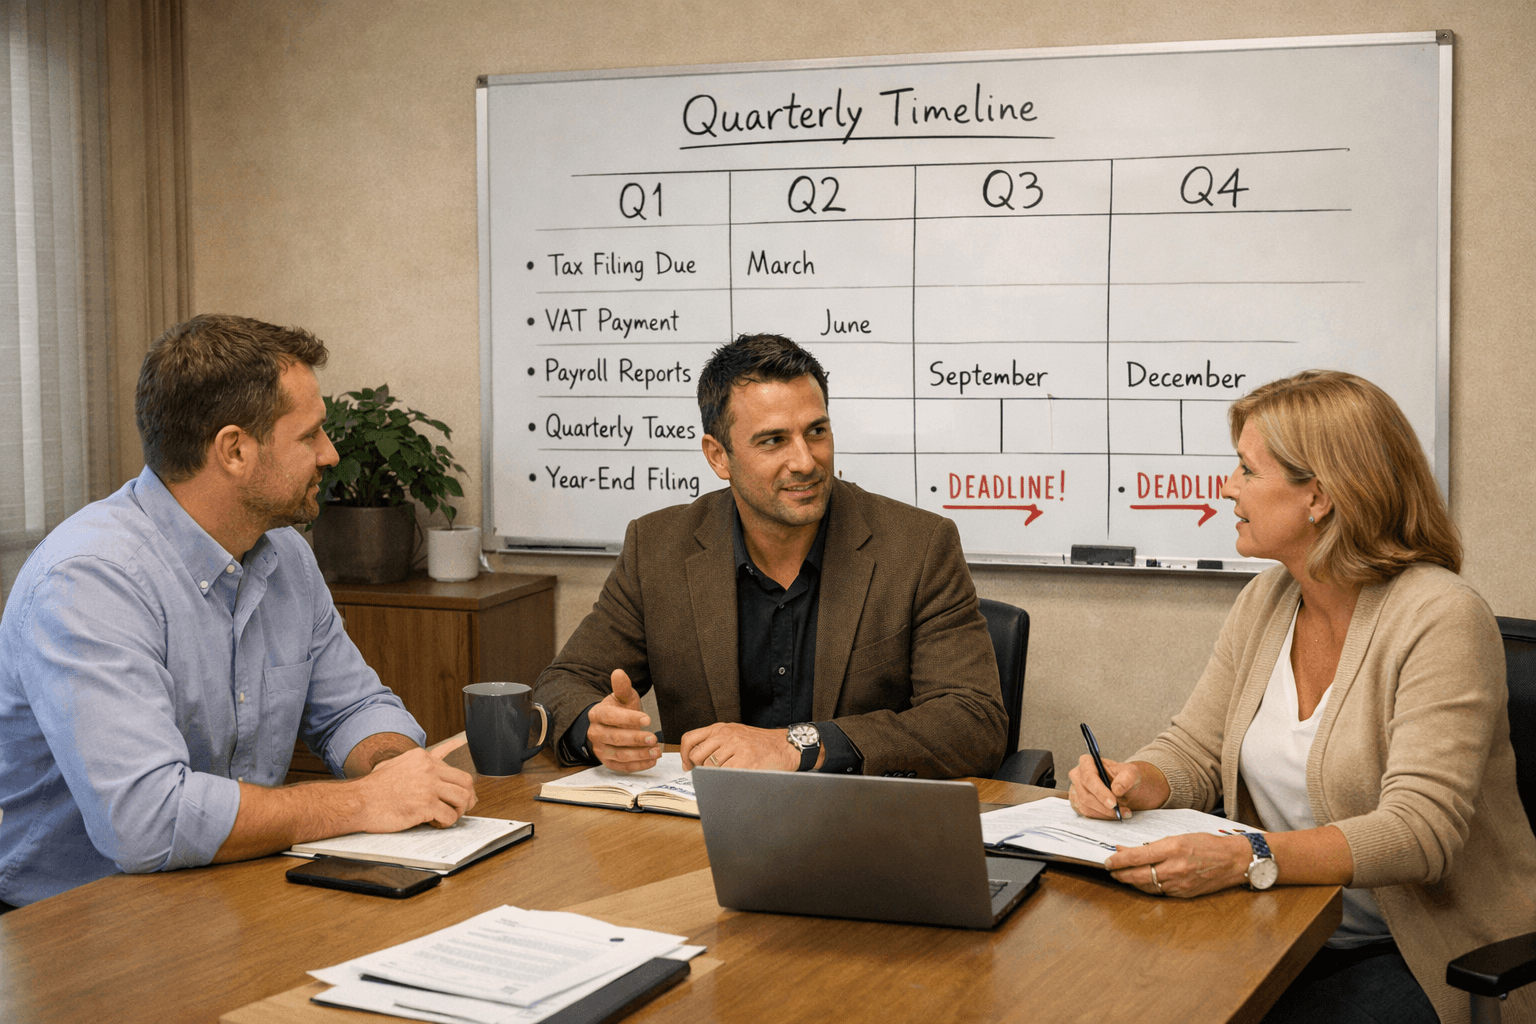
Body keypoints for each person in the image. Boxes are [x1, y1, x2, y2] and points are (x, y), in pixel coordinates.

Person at [1067, 370, 1536, 1023]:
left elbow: (1421, 833)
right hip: (1287, 925)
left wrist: (1247, 856)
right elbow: (1197, 750)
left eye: (1246, 469)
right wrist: (1136, 777)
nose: (1227, 487)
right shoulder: (1268, 599)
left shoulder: (1441, 616)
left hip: (1421, 952)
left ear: (1317, 496)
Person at [0, 314, 477, 908]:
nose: (330, 455)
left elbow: (352, 708)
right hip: (77, 923)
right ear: (235, 451)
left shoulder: (287, 558)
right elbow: (148, 821)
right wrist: (363, 802)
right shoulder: (89, 581)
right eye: (309, 436)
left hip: (231, 892)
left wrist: (398, 769)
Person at [533, 333, 1007, 779]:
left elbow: (974, 721)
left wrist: (801, 745)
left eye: (816, 431)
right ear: (718, 456)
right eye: (774, 440)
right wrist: (593, 729)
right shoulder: (658, 548)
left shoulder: (919, 547)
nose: (805, 461)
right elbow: (563, 684)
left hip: (860, 827)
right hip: (702, 834)